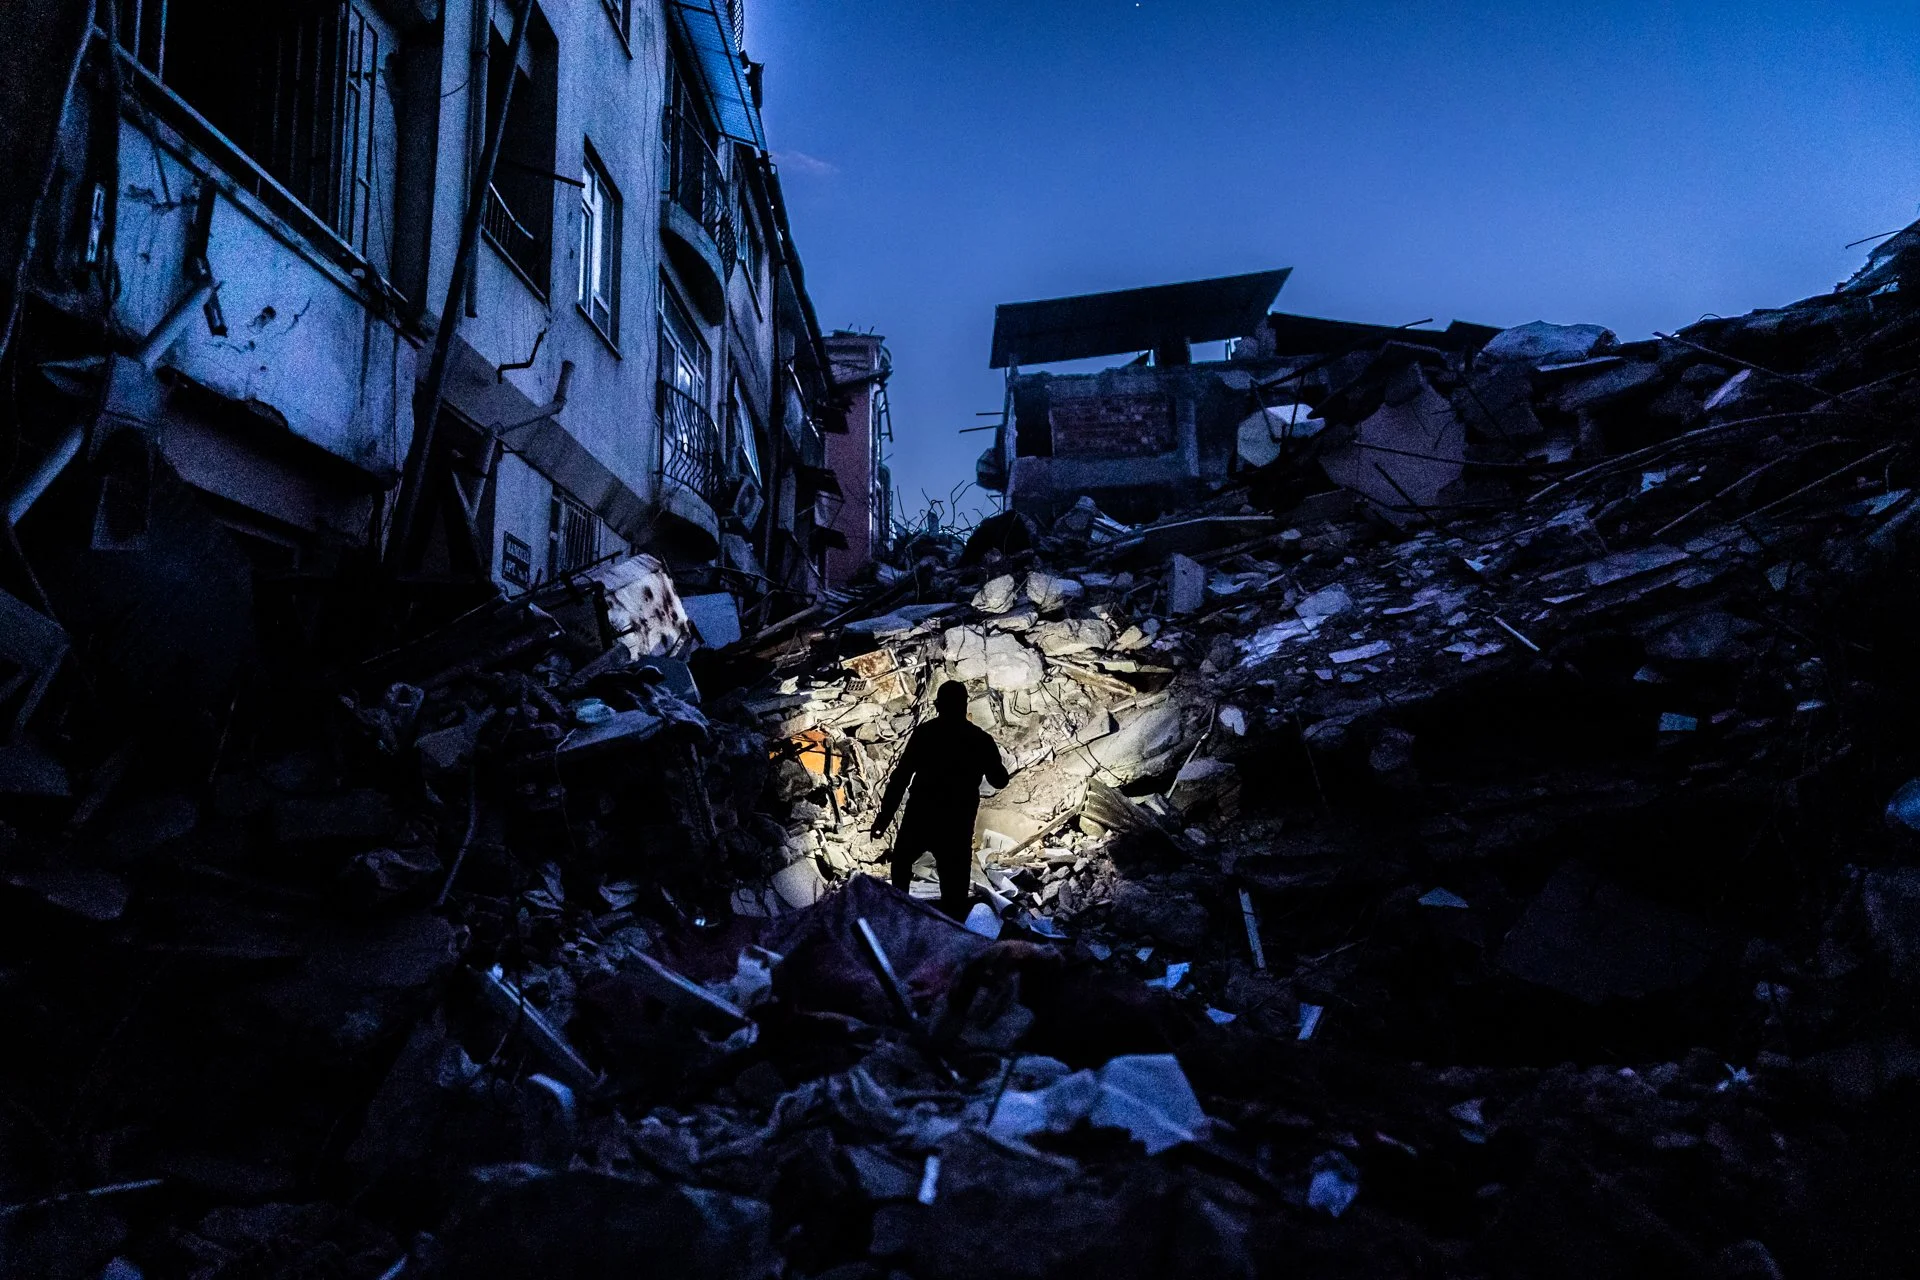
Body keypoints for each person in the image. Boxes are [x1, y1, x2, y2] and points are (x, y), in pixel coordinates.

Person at [870, 681, 1010, 919]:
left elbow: (900, 778)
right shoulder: (979, 739)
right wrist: (991, 762)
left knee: (901, 866)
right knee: (954, 892)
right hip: (957, 821)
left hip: (921, 815)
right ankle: (951, 936)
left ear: (938, 706)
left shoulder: (925, 733)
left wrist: (883, 819)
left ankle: (898, 918)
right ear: (964, 706)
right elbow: (999, 780)